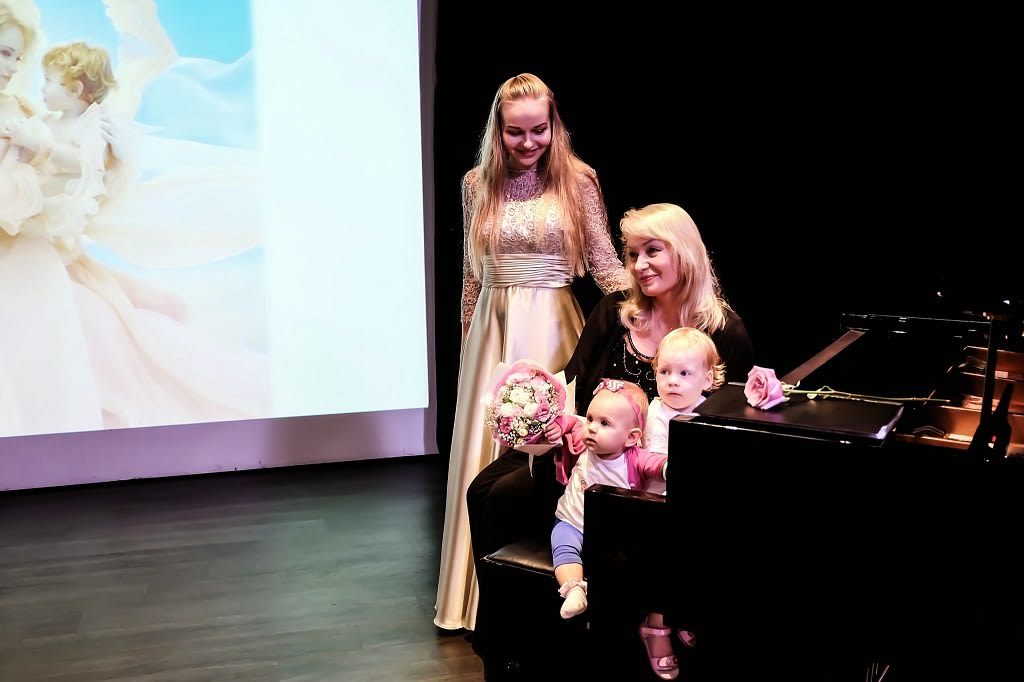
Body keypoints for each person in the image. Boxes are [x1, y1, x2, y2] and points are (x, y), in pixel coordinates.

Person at [465, 202, 755, 674]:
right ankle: (507, 641)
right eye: (633, 253)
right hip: (590, 452)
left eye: (652, 251)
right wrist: (556, 425)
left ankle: (584, 631)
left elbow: (737, 418)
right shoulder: (615, 311)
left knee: (506, 496)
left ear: (684, 253)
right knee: (484, 489)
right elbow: (576, 383)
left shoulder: (723, 330)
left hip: (652, 479)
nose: (639, 265)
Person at [0, 0, 268, 438]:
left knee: (103, 339)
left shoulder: (26, 112)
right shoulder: (30, 116)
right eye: (3, 53)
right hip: (23, 258)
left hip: (36, 253)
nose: (12, 67)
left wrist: (68, 163)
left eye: (14, 55)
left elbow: (67, 172)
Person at [434, 72, 629, 633]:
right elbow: (471, 276)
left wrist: (650, 309)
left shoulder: (578, 179)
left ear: (553, 125)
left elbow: (605, 264)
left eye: (538, 130)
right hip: (490, 332)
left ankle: (551, 597)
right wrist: (467, 345)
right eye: (515, 132)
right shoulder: (476, 183)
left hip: (552, 329)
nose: (527, 142)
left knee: (545, 459)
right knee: (483, 461)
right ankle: (477, 600)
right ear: (498, 130)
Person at [637, 326, 726, 680]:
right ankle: (656, 625)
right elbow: (660, 463)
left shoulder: (709, 409)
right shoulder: (657, 414)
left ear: (707, 379)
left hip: (693, 503)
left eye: (684, 373)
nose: (672, 381)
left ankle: (685, 610)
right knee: (668, 561)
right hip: (658, 504)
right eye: (664, 371)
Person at [546, 378, 665, 619]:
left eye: (604, 423)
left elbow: (656, 463)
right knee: (562, 544)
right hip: (572, 521)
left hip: (611, 531)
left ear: (631, 437)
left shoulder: (634, 457)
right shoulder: (585, 442)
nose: (591, 427)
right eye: (591, 418)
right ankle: (574, 590)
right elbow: (571, 422)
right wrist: (558, 425)